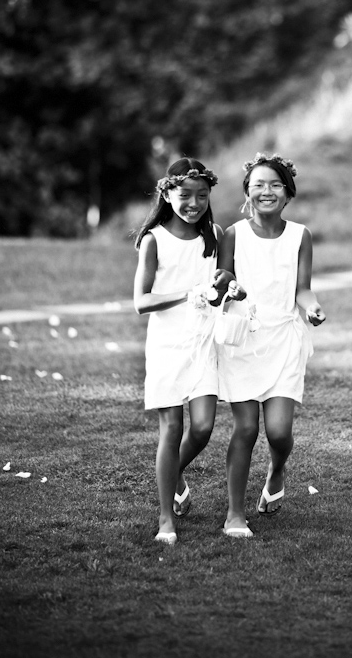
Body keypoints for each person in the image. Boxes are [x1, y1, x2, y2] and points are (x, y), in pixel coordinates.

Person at [133, 157, 244, 545]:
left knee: (202, 427)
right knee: (172, 427)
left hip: (204, 343)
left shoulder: (212, 234)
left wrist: (227, 285)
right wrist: (186, 292)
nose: (193, 203)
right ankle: (166, 519)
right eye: (185, 195)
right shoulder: (154, 240)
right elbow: (141, 302)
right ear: (167, 194)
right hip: (167, 346)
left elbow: (223, 280)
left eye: (201, 195)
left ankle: (173, 472)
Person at [218, 152, 326, 538]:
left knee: (279, 432)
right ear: (247, 192)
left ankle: (277, 469)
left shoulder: (301, 236)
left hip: (283, 340)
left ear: (288, 192)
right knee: (246, 428)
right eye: (258, 184)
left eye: (275, 184)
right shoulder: (233, 234)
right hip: (243, 340)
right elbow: (225, 277)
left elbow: (304, 289)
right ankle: (235, 514)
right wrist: (226, 285)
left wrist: (312, 309)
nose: (267, 191)